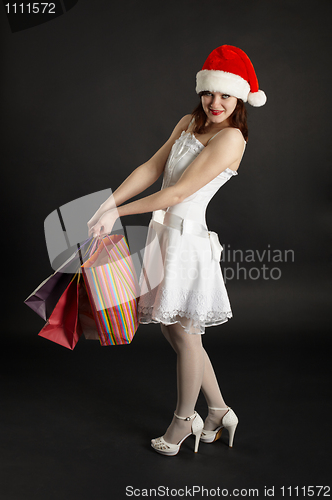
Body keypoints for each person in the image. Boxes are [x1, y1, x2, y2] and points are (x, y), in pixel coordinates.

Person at [87, 45, 266, 456]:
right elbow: (152, 169)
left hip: (187, 242)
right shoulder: (189, 122)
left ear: (239, 98)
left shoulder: (232, 138)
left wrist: (118, 212)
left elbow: (179, 191)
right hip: (162, 236)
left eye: (225, 95)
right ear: (201, 91)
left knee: (185, 334)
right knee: (175, 330)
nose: (215, 103)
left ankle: (185, 420)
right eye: (209, 93)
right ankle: (219, 410)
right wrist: (109, 202)